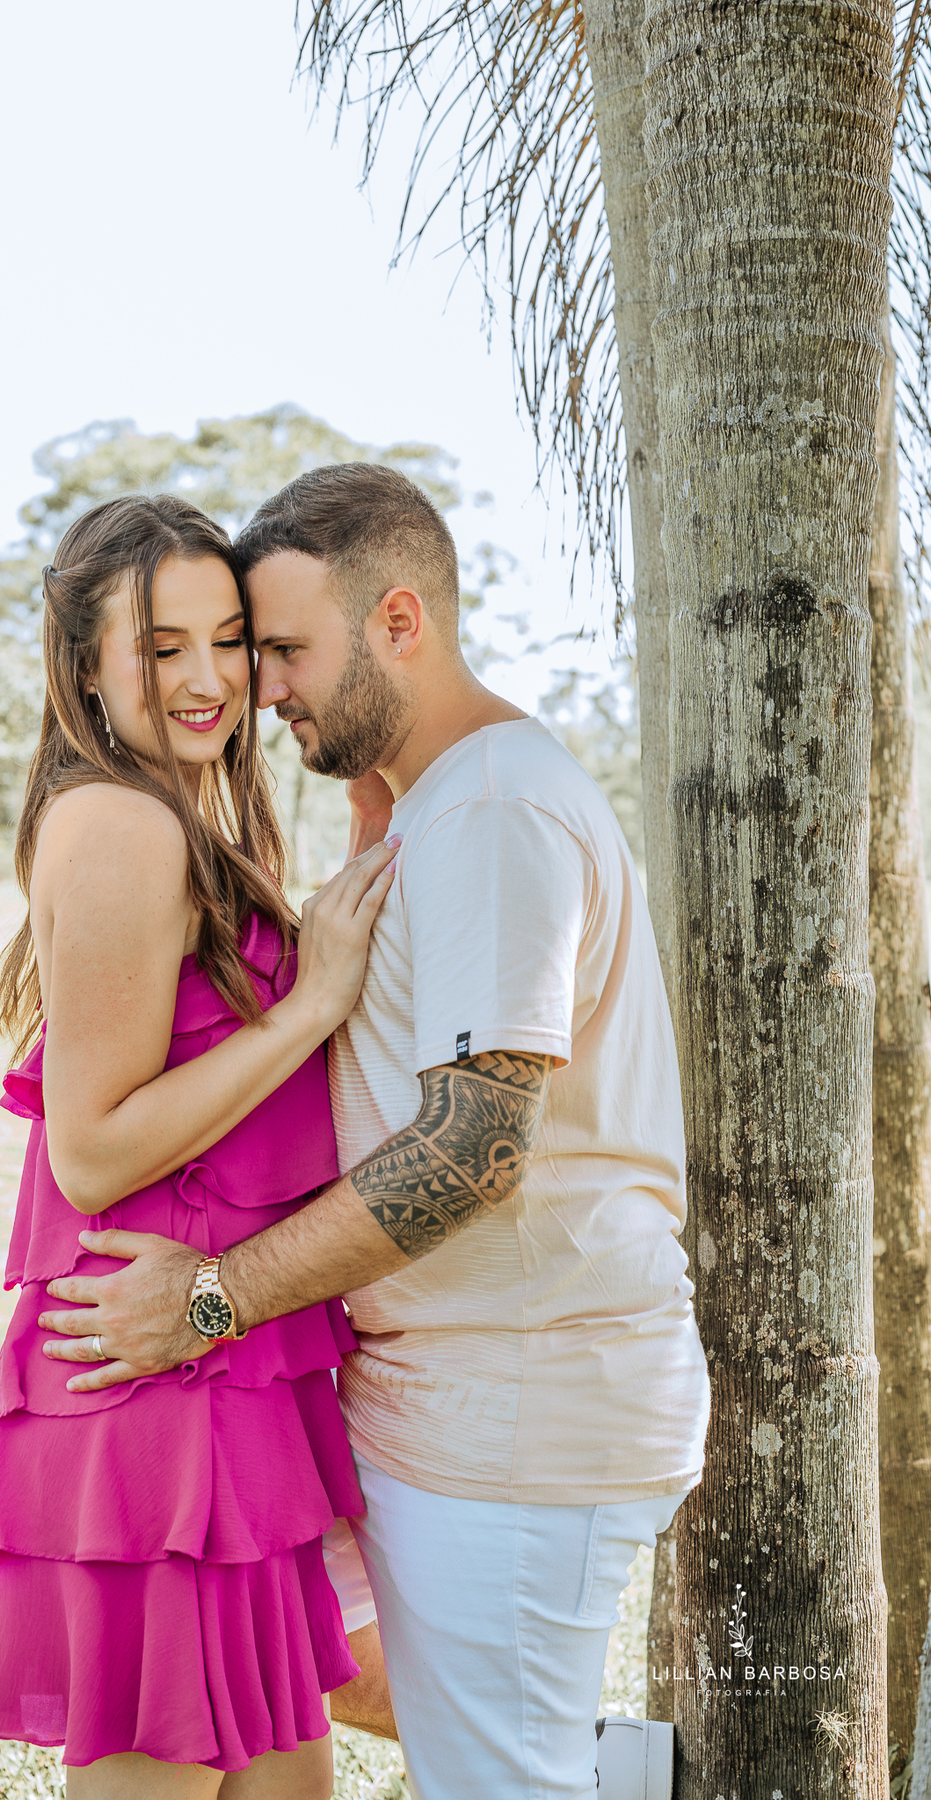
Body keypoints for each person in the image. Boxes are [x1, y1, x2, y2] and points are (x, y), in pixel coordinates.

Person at [38, 465, 712, 1800]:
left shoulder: (497, 812)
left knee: (498, 1776)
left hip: (518, 1403)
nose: (257, 687)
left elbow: (471, 1150)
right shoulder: (438, 808)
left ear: (398, 622)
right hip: (439, 1393)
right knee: (334, 1686)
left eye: (277, 648)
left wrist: (214, 1301)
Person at [0, 492, 400, 1799]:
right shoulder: (124, 826)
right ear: (86, 668)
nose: (209, 679)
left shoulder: (189, 819)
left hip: (218, 1366)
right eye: (162, 648)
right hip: (155, 1391)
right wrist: (314, 1001)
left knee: (285, 1786)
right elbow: (92, 1152)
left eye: (230, 640)